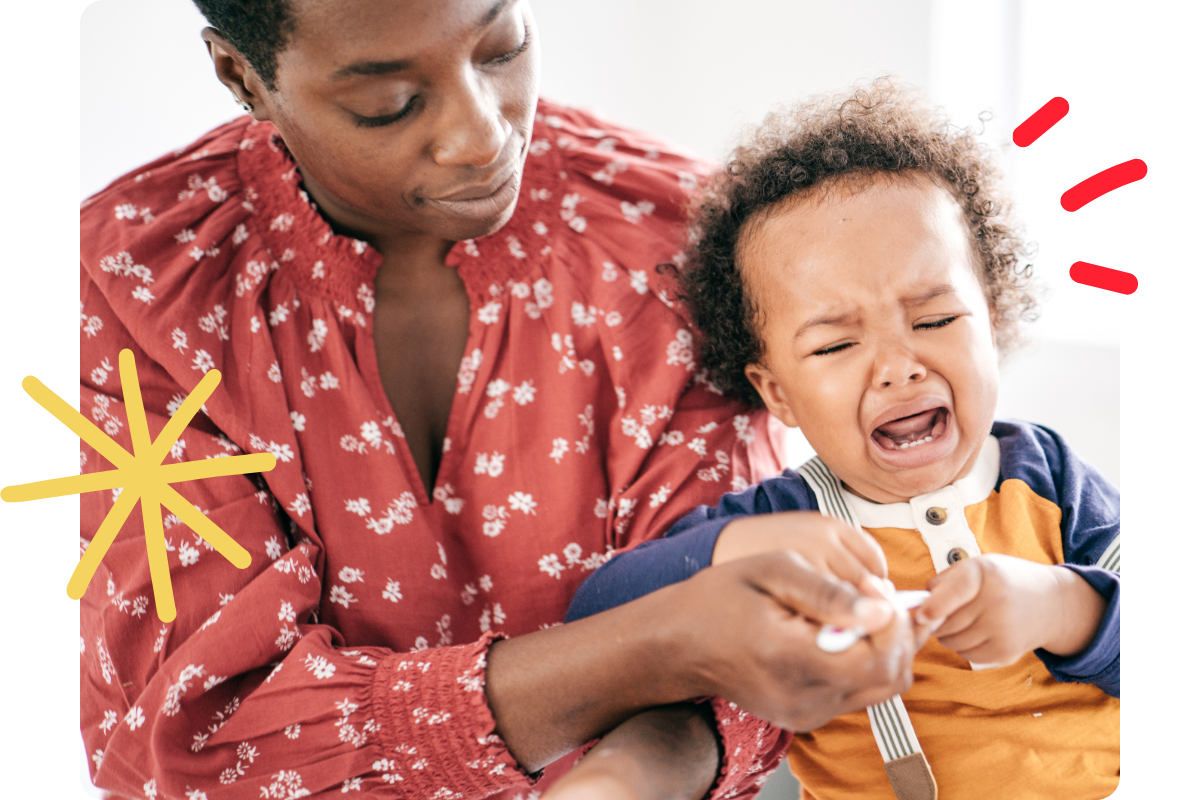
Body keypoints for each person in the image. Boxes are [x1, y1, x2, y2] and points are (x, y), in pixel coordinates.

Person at [79, 3, 921, 797]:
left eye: (501, 47)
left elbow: (734, 653)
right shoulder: (121, 289)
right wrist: (656, 647)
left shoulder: (673, 237)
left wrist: (621, 778)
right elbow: (194, 734)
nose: (482, 136)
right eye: (389, 103)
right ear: (240, 74)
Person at [562, 80, 1120, 799]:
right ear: (778, 394)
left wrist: (1062, 607)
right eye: (835, 346)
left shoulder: (1048, 479)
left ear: (994, 320)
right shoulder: (778, 524)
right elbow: (598, 618)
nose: (898, 366)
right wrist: (734, 551)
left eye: (934, 320)